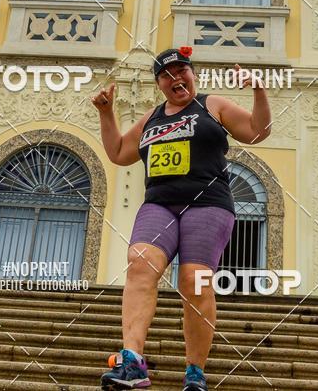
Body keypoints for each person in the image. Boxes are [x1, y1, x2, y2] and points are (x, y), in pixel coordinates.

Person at [92, 46, 271, 391]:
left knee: (195, 280)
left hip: (208, 204)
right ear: (159, 83)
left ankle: (194, 372)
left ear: (192, 73)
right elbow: (118, 153)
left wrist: (259, 91)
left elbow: (257, 131)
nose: (176, 78)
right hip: (159, 204)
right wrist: (106, 113)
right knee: (140, 262)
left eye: (181, 70)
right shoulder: (152, 117)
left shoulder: (212, 105)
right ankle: (132, 363)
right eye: (167, 74)